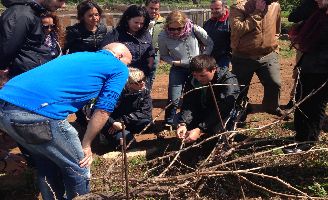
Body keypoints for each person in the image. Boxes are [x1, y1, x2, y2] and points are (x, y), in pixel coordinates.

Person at [0, 43, 132, 199]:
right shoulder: (117, 66)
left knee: (46, 162)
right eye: (128, 64)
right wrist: (87, 144)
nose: (127, 69)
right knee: (79, 166)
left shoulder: (77, 55)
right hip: (39, 114)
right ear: (119, 56)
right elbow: (104, 109)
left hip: (4, 107)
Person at [283, 0, 328, 153]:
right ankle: (300, 138)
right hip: (309, 65)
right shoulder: (316, 12)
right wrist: (313, 4)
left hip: (323, 70)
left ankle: (308, 141)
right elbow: (294, 16)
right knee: (301, 103)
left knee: (315, 106)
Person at [158, 10, 214, 128]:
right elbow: (163, 55)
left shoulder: (194, 29)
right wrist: (174, 62)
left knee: (198, 94)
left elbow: (209, 43)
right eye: (172, 29)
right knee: (174, 97)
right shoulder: (163, 36)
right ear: (167, 25)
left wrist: (203, 58)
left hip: (198, 68)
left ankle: (197, 119)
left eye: (179, 28)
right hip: (178, 68)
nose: (176, 31)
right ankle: (169, 121)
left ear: (185, 24)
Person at [229, 0, 284, 116]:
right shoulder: (239, 7)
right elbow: (237, 29)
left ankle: (272, 107)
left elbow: (277, 28)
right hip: (243, 56)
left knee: (274, 83)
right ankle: (240, 112)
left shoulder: (275, 5)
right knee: (240, 88)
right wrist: (257, 12)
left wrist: (274, 44)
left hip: (267, 54)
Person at [176, 55, 240, 143]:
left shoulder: (228, 80)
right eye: (195, 75)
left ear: (213, 69)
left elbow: (224, 108)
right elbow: (189, 103)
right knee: (177, 120)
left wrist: (200, 129)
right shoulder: (192, 79)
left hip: (223, 113)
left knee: (218, 133)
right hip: (204, 109)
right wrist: (183, 123)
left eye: (202, 75)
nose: (198, 79)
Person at [0, 0, 66, 79]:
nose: (63, 5)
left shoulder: (32, 12)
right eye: (60, 0)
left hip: (33, 76)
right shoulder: (22, 14)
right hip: (23, 79)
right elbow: (7, 49)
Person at [101, 5, 155, 90]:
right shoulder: (114, 36)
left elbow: (150, 54)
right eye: (136, 22)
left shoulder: (146, 35)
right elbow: (106, 59)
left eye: (141, 23)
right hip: (122, 80)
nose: (139, 26)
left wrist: (145, 72)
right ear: (127, 19)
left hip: (142, 78)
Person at [100, 67, 153, 147]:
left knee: (148, 124)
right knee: (128, 143)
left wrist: (122, 120)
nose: (143, 82)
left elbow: (146, 113)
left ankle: (127, 131)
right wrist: (113, 123)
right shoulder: (115, 93)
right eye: (139, 81)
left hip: (126, 120)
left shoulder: (144, 91)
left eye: (144, 79)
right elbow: (101, 111)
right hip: (113, 122)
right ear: (129, 84)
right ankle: (104, 133)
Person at [203, 0, 231, 69]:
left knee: (221, 77)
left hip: (224, 57)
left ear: (224, 8)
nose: (214, 11)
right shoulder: (207, 23)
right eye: (212, 9)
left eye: (217, 8)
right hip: (209, 57)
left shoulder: (231, 22)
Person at [145, 0, 165, 90]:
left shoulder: (163, 22)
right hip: (140, 52)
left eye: (156, 9)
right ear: (146, 7)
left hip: (155, 53)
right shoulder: (140, 20)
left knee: (151, 74)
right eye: (151, 8)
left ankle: (146, 94)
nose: (153, 11)